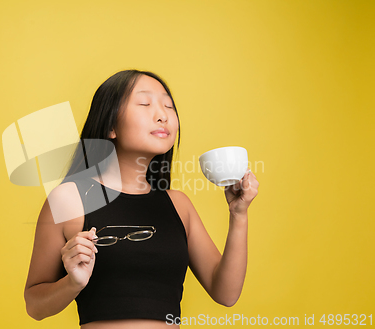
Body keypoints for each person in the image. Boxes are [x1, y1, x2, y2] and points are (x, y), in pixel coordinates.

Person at [24, 69, 259, 329]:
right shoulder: (69, 199)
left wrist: (239, 215)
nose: (163, 115)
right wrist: (72, 283)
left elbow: (225, 293)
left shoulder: (179, 205)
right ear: (110, 126)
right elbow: (35, 305)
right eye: (145, 104)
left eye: (168, 106)